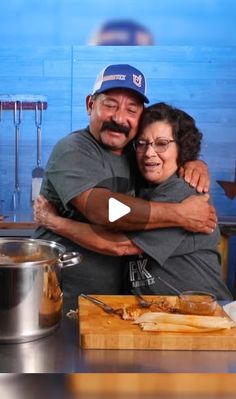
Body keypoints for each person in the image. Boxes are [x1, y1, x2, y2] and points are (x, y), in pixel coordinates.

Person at [33, 64, 217, 311]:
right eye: (110, 105)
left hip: (112, 306)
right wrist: (179, 214)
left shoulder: (138, 155)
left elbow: (164, 157)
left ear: (140, 115)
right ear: (90, 105)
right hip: (62, 298)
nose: (119, 118)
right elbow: (107, 211)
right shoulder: (74, 150)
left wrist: (193, 161)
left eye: (131, 109)